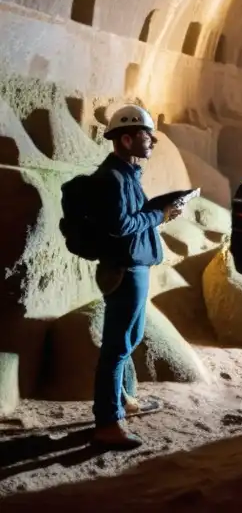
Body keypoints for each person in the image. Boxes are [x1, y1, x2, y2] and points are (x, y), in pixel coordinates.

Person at [92, 105, 183, 449]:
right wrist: (158, 216)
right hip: (124, 270)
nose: (152, 142)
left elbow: (132, 218)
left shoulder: (127, 174)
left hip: (134, 268)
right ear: (126, 138)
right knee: (116, 348)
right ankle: (106, 424)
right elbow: (121, 226)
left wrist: (163, 210)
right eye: (147, 135)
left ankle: (122, 401)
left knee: (128, 340)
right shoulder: (112, 178)